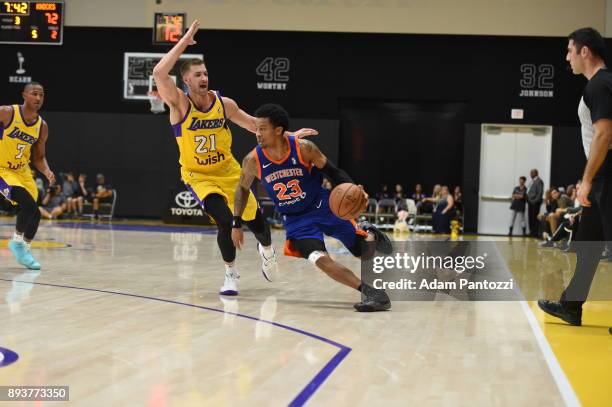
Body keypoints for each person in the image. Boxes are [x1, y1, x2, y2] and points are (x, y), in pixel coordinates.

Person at [152, 20, 316, 295]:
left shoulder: (224, 104)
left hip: (229, 172)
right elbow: (159, 71)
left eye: (205, 73)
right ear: (186, 81)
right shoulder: (180, 104)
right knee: (225, 220)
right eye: (197, 75)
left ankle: (267, 251)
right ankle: (230, 273)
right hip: (199, 176)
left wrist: (289, 135)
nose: (204, 78)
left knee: (259, 225)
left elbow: (255, 125)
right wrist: (185, 40)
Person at [232, 104, 392, 311]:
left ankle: (370, 233)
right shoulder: (252, 160)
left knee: (364, 253)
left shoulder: (304, 148)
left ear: (278, 130)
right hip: (297, 221)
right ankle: (372, 293)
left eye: (262, 128)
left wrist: (354, 190)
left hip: (324, 206)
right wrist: (236, 222)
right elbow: (242, 189)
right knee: (320, 259)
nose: (257, 134)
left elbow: (333, 172)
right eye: (256, 128)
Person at [538, 27, 612, 326]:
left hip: (606, 175)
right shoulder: (601, 84)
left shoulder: (599, 84)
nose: (567, 57)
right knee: (588, 245)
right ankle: (571, 305)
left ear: (585, 51)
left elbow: (604, 134)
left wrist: (587, 179)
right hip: (602, 178)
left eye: (570, 50)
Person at [0, 82, 55, 270]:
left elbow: (39, 158)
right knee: (28, 204)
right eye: (34, 94)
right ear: (24, 95)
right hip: (2, 169)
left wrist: (46, 170)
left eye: (41, 95)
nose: (38, 98)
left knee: (36, 213)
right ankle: (16, 242)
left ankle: (25, 249)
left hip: (22, 171)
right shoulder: (7, 112)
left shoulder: (42, 126)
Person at [526, 168, 544, 237]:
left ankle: (535, 233)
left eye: (532, 173)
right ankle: (531, 232)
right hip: (530, 202)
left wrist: (534, 201)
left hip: (535, 203)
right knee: (530, 218)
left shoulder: (539, 181)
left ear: (536, 173)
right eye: (530, 173)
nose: (530, 174)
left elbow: (540, 193)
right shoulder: (532, 181)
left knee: (534, 218)